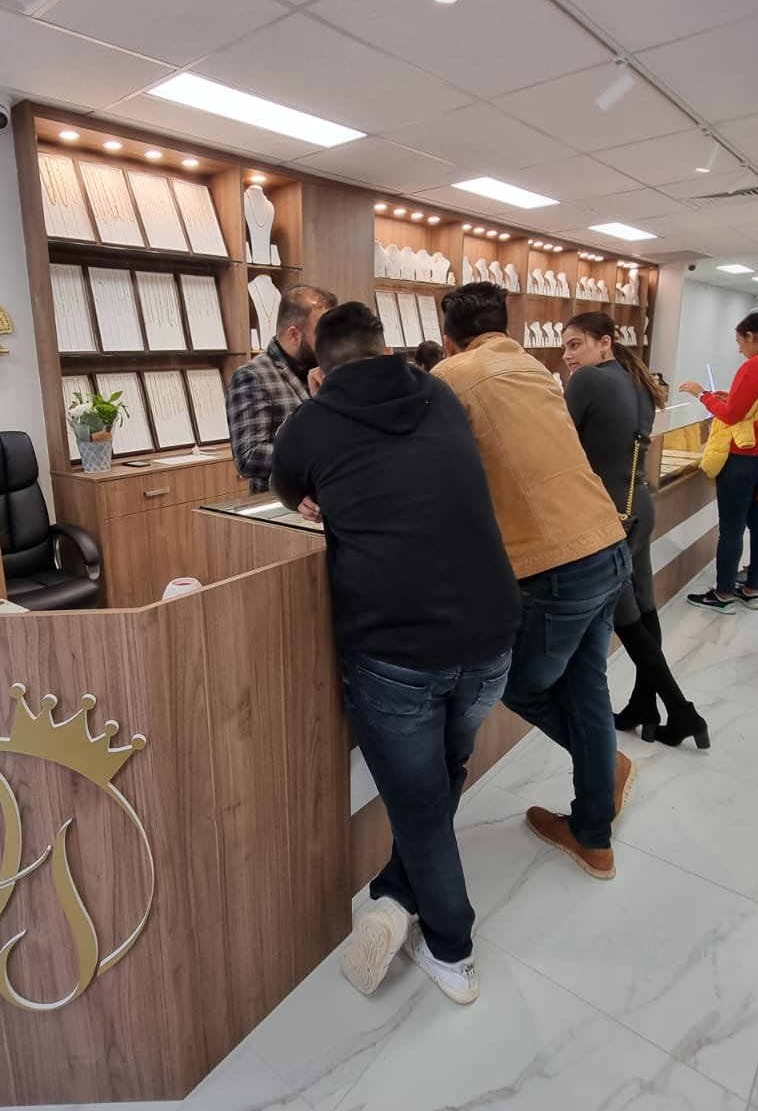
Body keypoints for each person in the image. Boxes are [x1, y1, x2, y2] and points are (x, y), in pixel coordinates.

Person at [271, 302, 519, 1007]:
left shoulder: (311, 420)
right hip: (491, 636)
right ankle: (396, 890)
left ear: (318, 371)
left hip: (398, 648)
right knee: (442, 777)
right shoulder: (439, 392)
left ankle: (452, 950)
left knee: (417, 805)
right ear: (385, 349)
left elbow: (290, 488)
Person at [432, 283, 632, 881]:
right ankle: (593, 827)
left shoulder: (450, 376)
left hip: (552, 565)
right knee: (586, 684)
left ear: (448, 337)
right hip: (606, 540)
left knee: (517, 684)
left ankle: (603, 774)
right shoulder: (536, 369)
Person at [563, 312, 706, 749]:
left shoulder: (588, 380)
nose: (567, 354)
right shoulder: (636, 380)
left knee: (627, 620)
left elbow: (559, 443)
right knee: (644, 608)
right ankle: (645, 706)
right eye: (565, 346)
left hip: (606, 514)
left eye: (575, 344)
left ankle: (682, 711)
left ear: (605, 342)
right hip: (637, 505)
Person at [678, 310, 758, 614]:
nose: (739, 349)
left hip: (743, 459)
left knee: (732, 529)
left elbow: (731, 416)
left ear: (753, 336)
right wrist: (733, 396)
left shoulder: (757, 365)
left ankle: (723, 594)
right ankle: (753, 589)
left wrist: (702, 394)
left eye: (740, 342)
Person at [224, 285, 336, 493]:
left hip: (330, 500)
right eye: (323, 334)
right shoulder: (253, 376)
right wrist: (319, 457)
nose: (330, 343)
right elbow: (249, 456)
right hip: (281, 506)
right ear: (294, 335)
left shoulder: (328, 370)